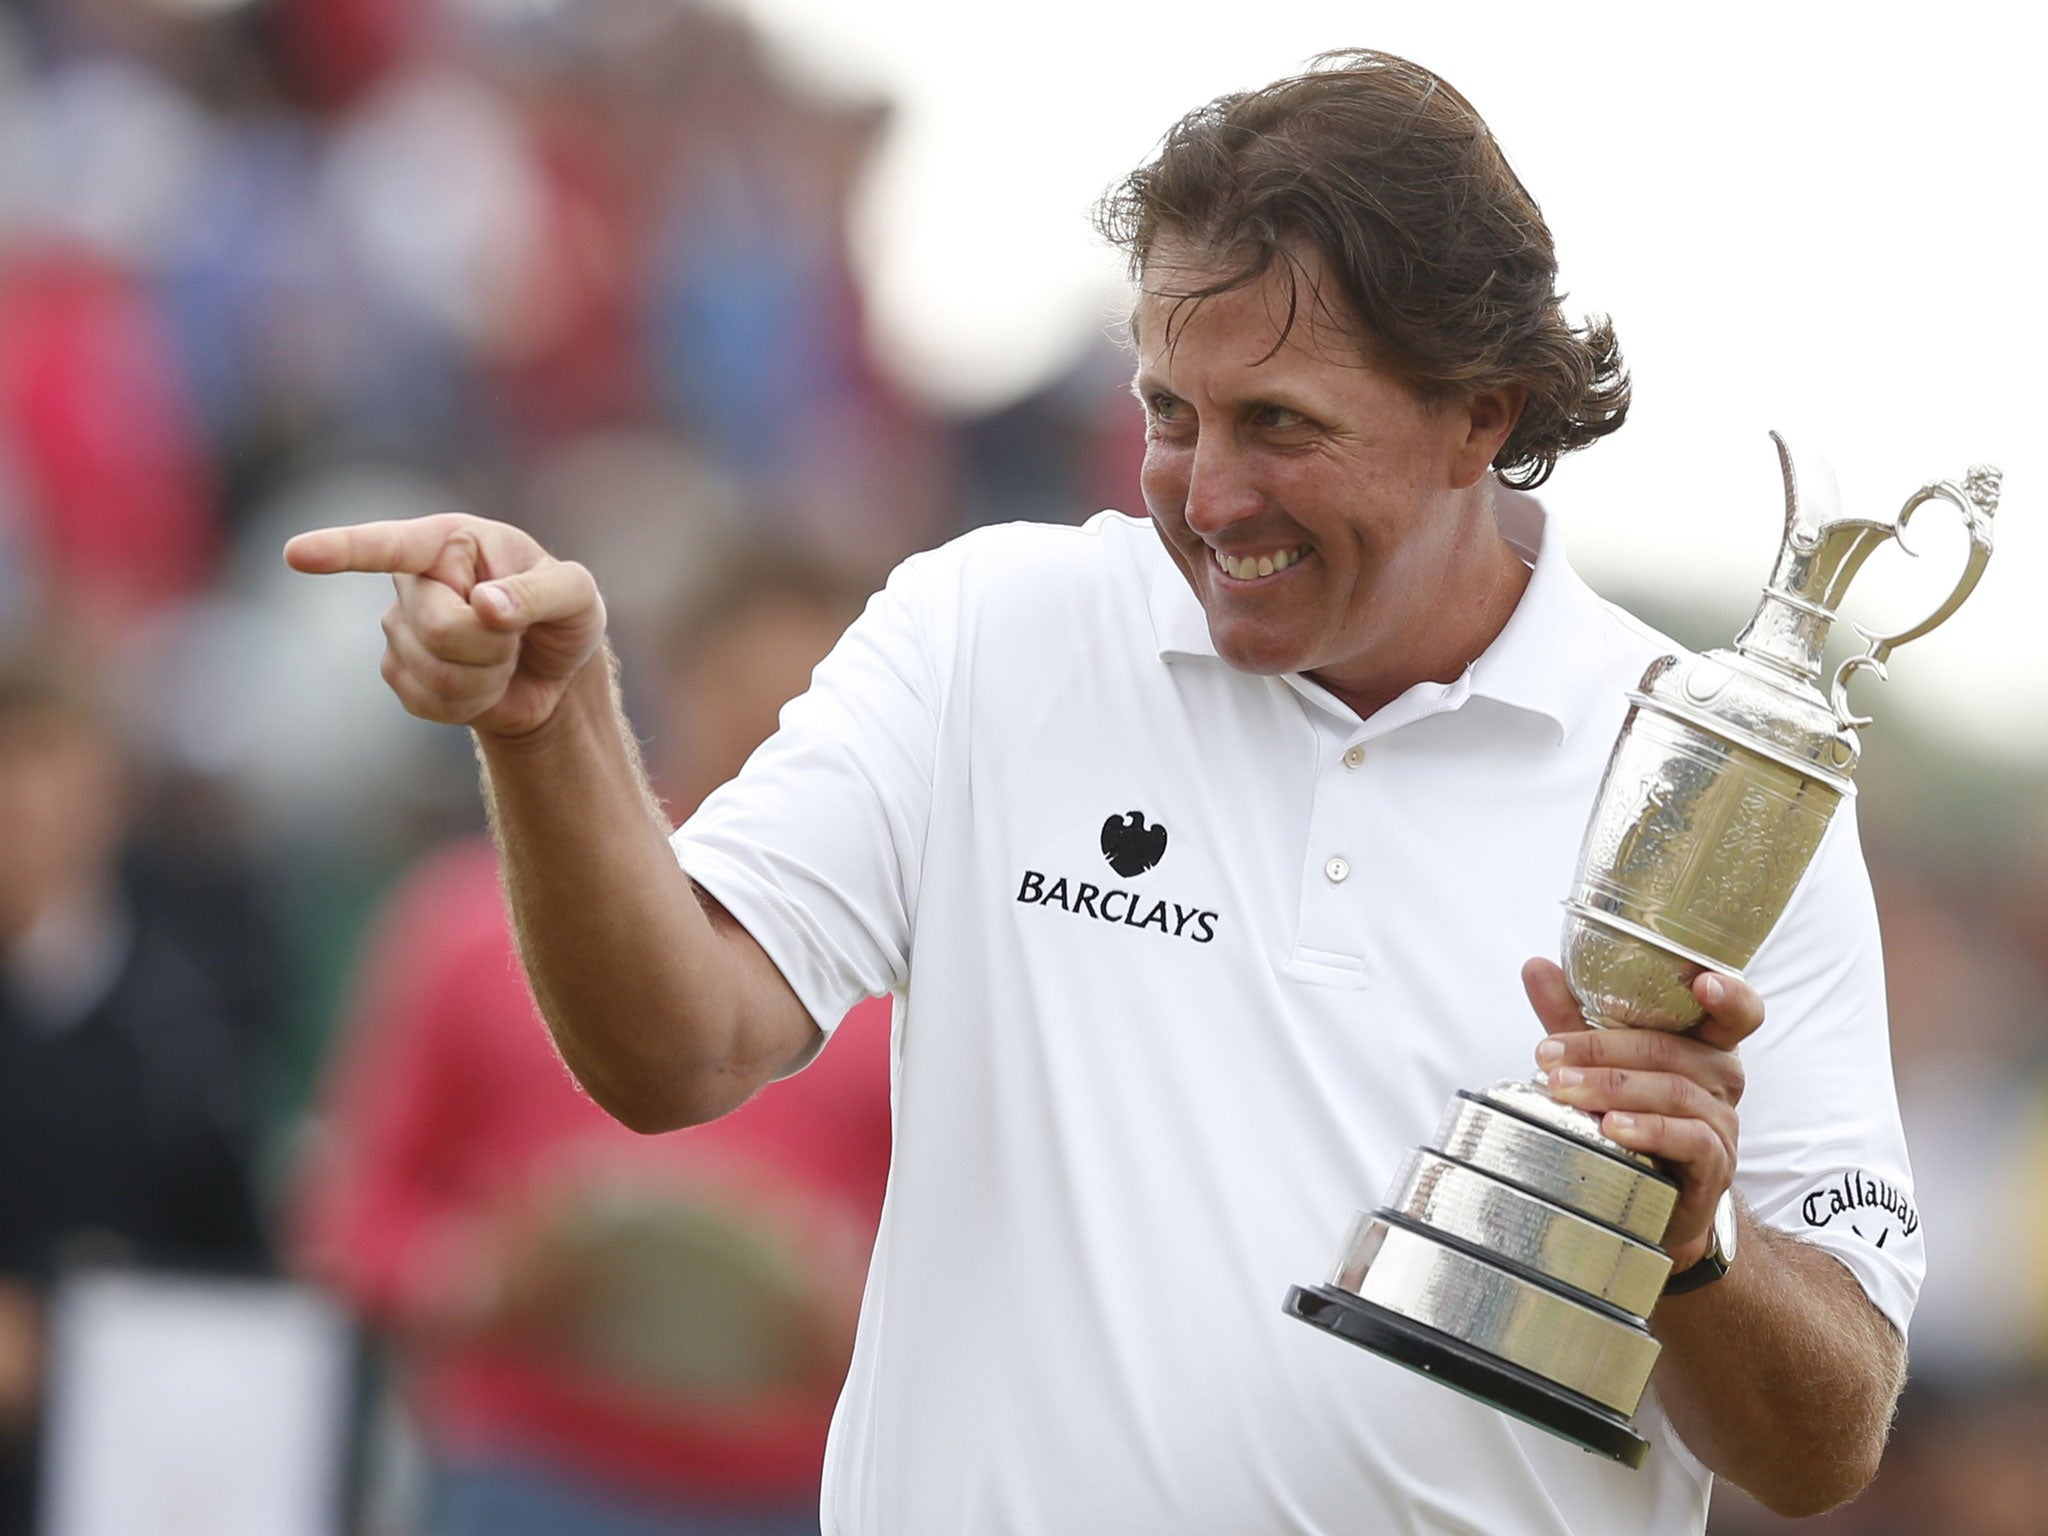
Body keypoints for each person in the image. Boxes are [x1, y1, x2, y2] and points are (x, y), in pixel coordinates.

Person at [284, 51, 1918, 1536]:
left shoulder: (1728, 781)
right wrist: (547, 724)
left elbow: (1818, 1437)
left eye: (1278, 426)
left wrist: (1691, 1247)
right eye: (1166, 413)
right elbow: (671, 1047)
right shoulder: (992, 624)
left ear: (1477, 414)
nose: (1205, 497)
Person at [294, 553, 892, 1536]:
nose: (779, 723)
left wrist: (866, 1321)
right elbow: (349, 1217)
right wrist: (481, 1278)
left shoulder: (917, 954)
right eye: (750, 685)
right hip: (529, 1475)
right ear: (680, 675)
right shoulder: (470, 921)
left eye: (818, 695)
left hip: (805, 1483)